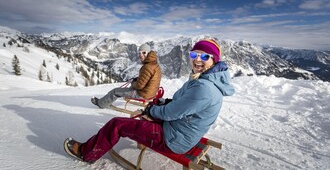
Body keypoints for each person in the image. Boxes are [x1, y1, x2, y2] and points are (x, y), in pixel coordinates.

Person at [64, 39, 235, 163]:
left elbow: (171, 113)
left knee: (116, 124)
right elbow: (180, 104)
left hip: (173, 139)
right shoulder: (204, 81)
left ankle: (86, 153)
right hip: (180, 130)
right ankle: (141, 129)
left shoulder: (203, 88)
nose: (198, 59)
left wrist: (150, 111)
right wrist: (163, 104)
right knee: (147, 113)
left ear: (214, 61)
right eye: (194, 54)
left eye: (205, 57)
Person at [91, 44, 162, 109]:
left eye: (144, 52)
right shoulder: (154, 64)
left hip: (143, 94)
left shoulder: (147, 67)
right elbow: (148, 78)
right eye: (139, 53)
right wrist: (137, 79)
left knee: (115, 91)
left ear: (149, 53)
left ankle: (101, 104)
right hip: (151, 93)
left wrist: (133, 83)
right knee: (128, 89)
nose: (141, 55)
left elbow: (139, 86)